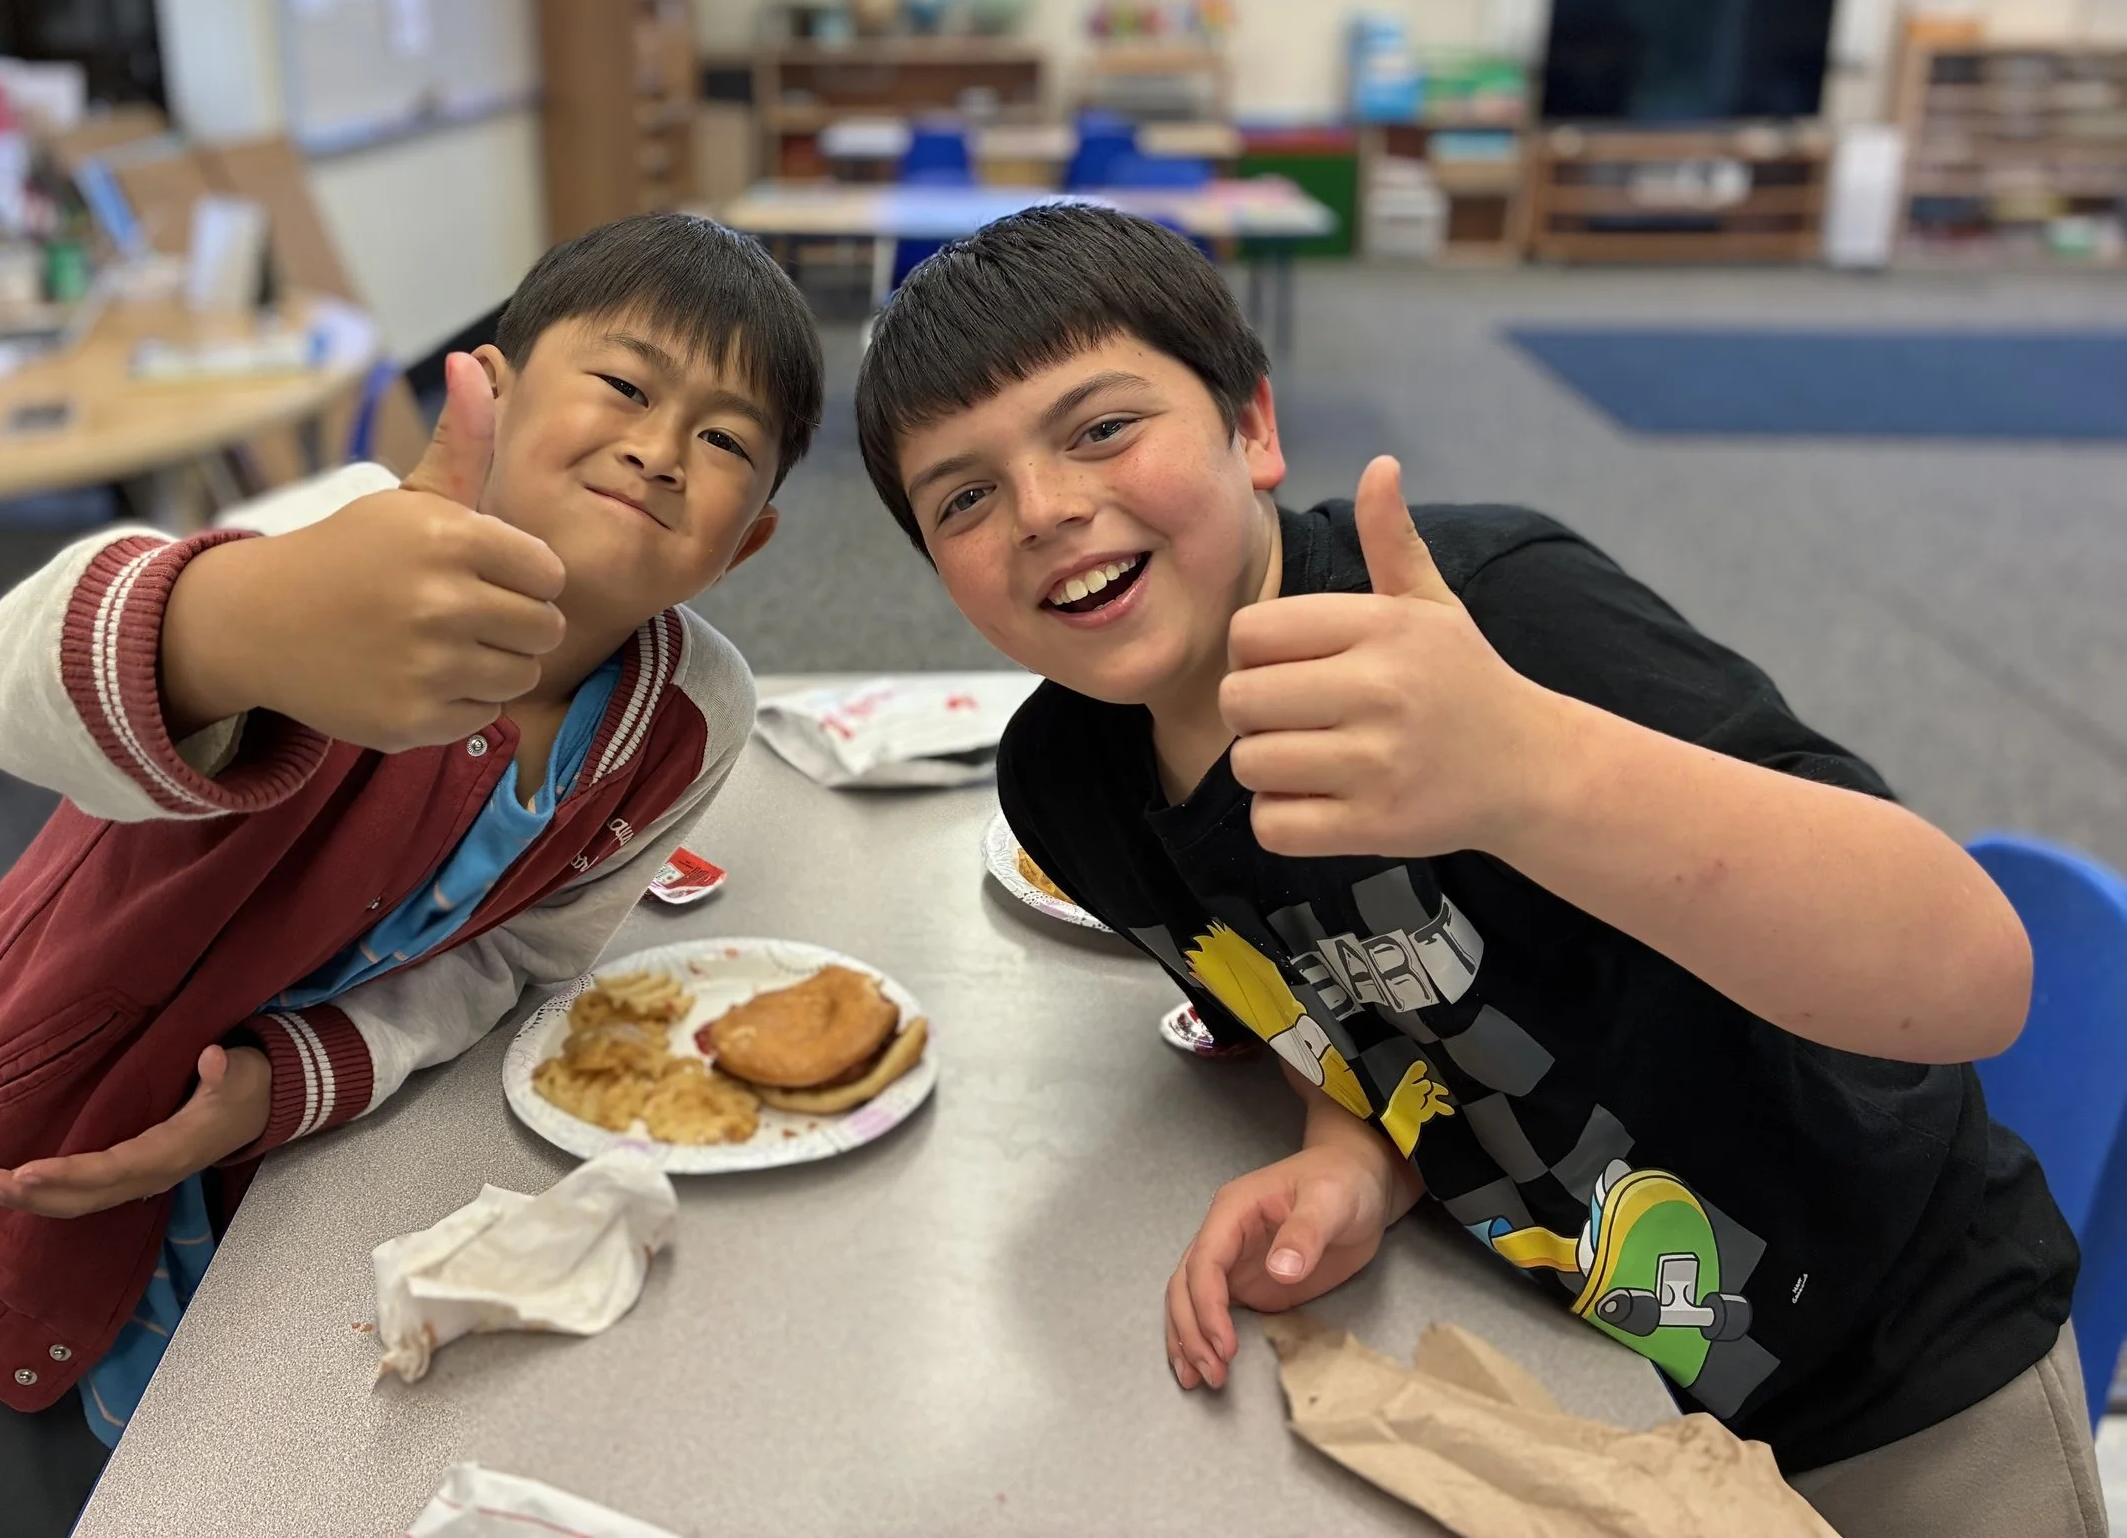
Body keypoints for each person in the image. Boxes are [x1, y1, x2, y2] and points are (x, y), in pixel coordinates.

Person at [853, 203, 2100, 1538]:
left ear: (1253, 428)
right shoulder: (1072, 788)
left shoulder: (1492, 611)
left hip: (1900, 1371)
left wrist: (1527, 769)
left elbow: (1973, 977)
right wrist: (1355, 1159)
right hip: (1590, 1384)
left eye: (1101, 427)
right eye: (964, 495)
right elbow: (1318, 995)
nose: (1044, 507)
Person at [0, 214, 823, 1538]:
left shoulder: (692, 715)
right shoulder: (334, 546)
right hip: (20, 1153)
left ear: (746, 538)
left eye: (725, 440)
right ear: (491, 386)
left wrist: (283, 1086)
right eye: (627, 387)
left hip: (278, 1191)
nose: (658, 447)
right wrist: (235, 629)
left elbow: (520, 958)